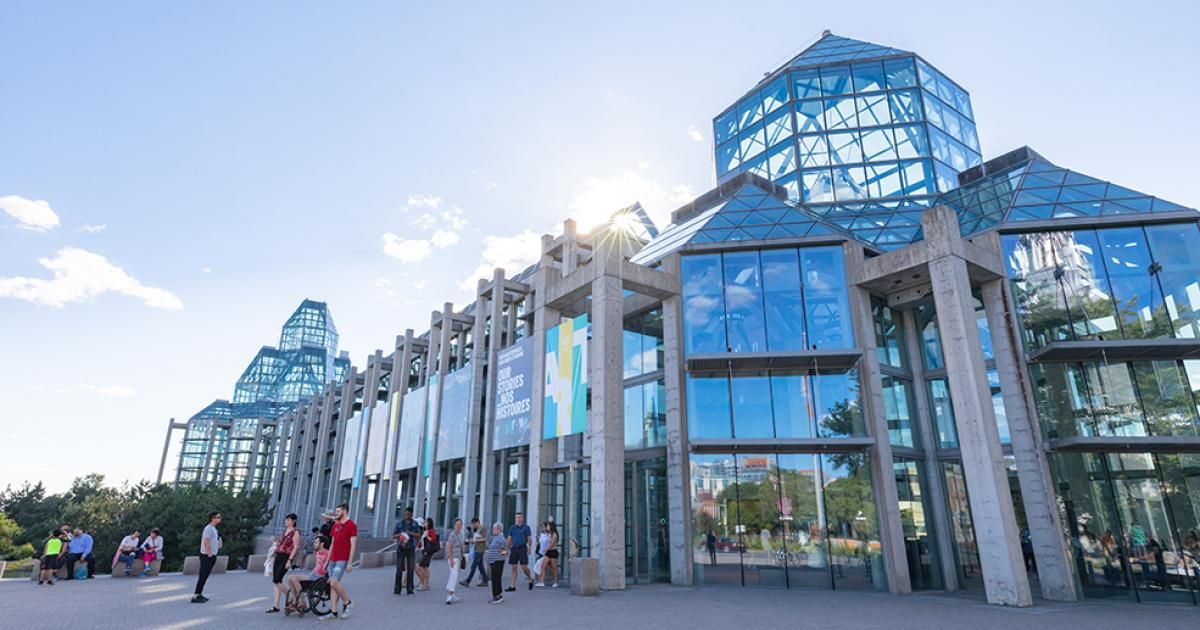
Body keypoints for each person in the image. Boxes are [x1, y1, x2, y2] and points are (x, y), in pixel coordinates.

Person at [322, 503, 357, 621]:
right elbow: (332, 543)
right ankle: (333, 611)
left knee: (333, 582)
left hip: (342, 559)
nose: (336, 514)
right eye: (335, 512)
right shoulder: (336, 525)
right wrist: (327, 560)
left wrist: (350, 562)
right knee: (333, 586)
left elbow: (353, 545)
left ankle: (347, 602)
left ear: (345, 511)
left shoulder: (351, 525)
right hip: (333, 558)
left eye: (338, 511)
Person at [267, 513, 302, 613]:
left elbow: (295, 547)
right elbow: (280, 543)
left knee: (277, 579)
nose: (286, 522)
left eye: (288, 520)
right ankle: (276, 605)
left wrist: (290, 560)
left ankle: (290, 596)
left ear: (293, 521)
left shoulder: (295, 532)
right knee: (276, 581)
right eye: (286, 520)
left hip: (286, 557)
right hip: (279, 555)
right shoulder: (284, 531)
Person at [287, 535, 330, 612]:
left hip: (319, 577)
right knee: (290, 577)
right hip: (313, 574)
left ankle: (302, 602)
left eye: (316, 542)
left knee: (294, 578)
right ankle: (294, 600)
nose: (314, 544)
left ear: (322, 544)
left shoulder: (327, 553)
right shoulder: (317, 553)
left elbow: (328, 568)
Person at [192, 511, 222, 603]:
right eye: (218, 517)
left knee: (205, 576)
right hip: (207, 556)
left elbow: (213, 542)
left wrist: (218, 545)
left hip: (212, 555)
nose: (220, 518)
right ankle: (196, 596)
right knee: (203, 575)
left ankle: (199, 594)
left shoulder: (214, 529)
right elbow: (206, 541)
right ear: (213, 518)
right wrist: (209, 554)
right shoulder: (208, 528)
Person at [393, 508, 421, 595]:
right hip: (401, 549)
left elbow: (419, 534)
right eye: (406, 514)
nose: (407, 516)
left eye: (409, 514)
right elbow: (394, 535)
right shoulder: (399, 524)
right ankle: (397, 590)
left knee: (410, 569)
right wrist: (401, 535)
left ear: (412, 515)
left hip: (411, 549)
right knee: (399, 570)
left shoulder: (414, 524)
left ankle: (410, 590)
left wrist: (410, 533)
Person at [506, 512, 534, 591]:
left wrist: (529, 547)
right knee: (514, 567)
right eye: (517, 518)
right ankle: (512, 585)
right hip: (514, 548)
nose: (518, 519)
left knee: (524, 567)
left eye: (520, 517)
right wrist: (507, 549)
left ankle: (530, 578)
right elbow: (509, 539)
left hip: (522, 548)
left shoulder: (526, 528)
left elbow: (529, 539)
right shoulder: (512, 528)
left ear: (523, 519)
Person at [462, 517, 489, 588]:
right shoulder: (477, 530)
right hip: (476, 548)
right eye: (473, 524)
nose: (474, 525)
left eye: (474, 524)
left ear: (478, 522)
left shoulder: (483, 528)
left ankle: (468, 581)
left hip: (480, 550)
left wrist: (475, 540)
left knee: (474, 566)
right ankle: (485, 580)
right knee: (480, 566)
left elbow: (484, 538)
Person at [445, 518, 465, 605]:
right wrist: (451, 559)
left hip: (458, 557)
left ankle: (452, 593)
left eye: (460, 524)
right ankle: (449, 595)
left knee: (453, 575)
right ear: (454, 525)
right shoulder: (452, 535)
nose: (459, 526)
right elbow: (449, 547)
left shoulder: (460, 534)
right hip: (453, 557)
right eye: (457, 524)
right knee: (454, 575)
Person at [486, 522, 507, 604]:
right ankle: (498, 594)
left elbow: (504, 548)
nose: (492, 530)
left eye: (494, 529)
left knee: (495, 579)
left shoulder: (500, 537)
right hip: (495, 561)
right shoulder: (497, 537)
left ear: (498, 529)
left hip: (497, 561)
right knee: (496, 578)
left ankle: (497, 596)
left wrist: (502, 552)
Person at [416, 518, 439, 591]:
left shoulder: (431, 531)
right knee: (425, 567)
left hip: (428, 551)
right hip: (424, 550)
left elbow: (433, 540)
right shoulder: (425, 531)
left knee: (421, 566)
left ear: (429, 523)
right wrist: (418, 547)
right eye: (424, 522)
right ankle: (426, 584)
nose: (425, 524)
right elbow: (422, 541)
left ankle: (423, 584)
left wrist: (427, 536)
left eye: (426, 522)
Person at [543, 521, 560, 587]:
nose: (547, 527)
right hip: (548, 552)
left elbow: (552, 544)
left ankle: (556, 581)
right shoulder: (548, 534)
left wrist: (546, 549)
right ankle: (543, 580)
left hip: (553, 551)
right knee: (544, 565)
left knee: (554, 567)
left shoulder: (554, 534)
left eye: (548, 526)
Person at [534, 522, 551, 586]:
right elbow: (539, 543)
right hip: (540, 552)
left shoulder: (549, 535)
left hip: (546, 553)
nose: (543, 528)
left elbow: (550, 543)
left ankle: (542, 581)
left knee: (543, 567)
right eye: (542, 527)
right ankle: (539, 580)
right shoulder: (542, 534)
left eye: (544, 527)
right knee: (538, 566)